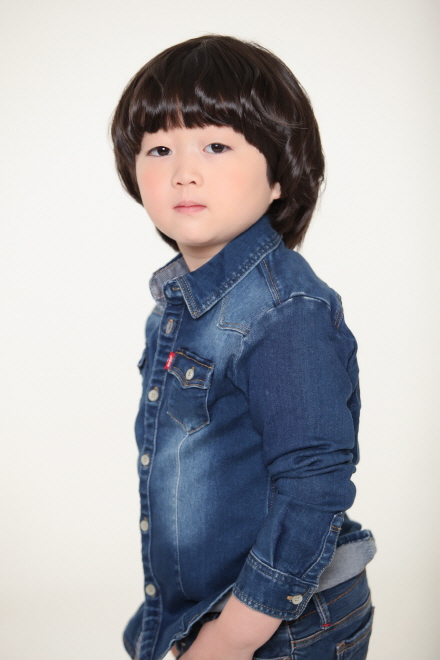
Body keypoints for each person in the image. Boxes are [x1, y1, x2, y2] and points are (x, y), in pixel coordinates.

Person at [111, 34, 376, 660]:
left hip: (286, 623)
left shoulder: (285, 312)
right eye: (159, 148)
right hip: (212, 605)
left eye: (216, 145)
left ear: (280, 175)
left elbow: (312, 487)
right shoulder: (181, 303)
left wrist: (232, 637)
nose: (184, 171)